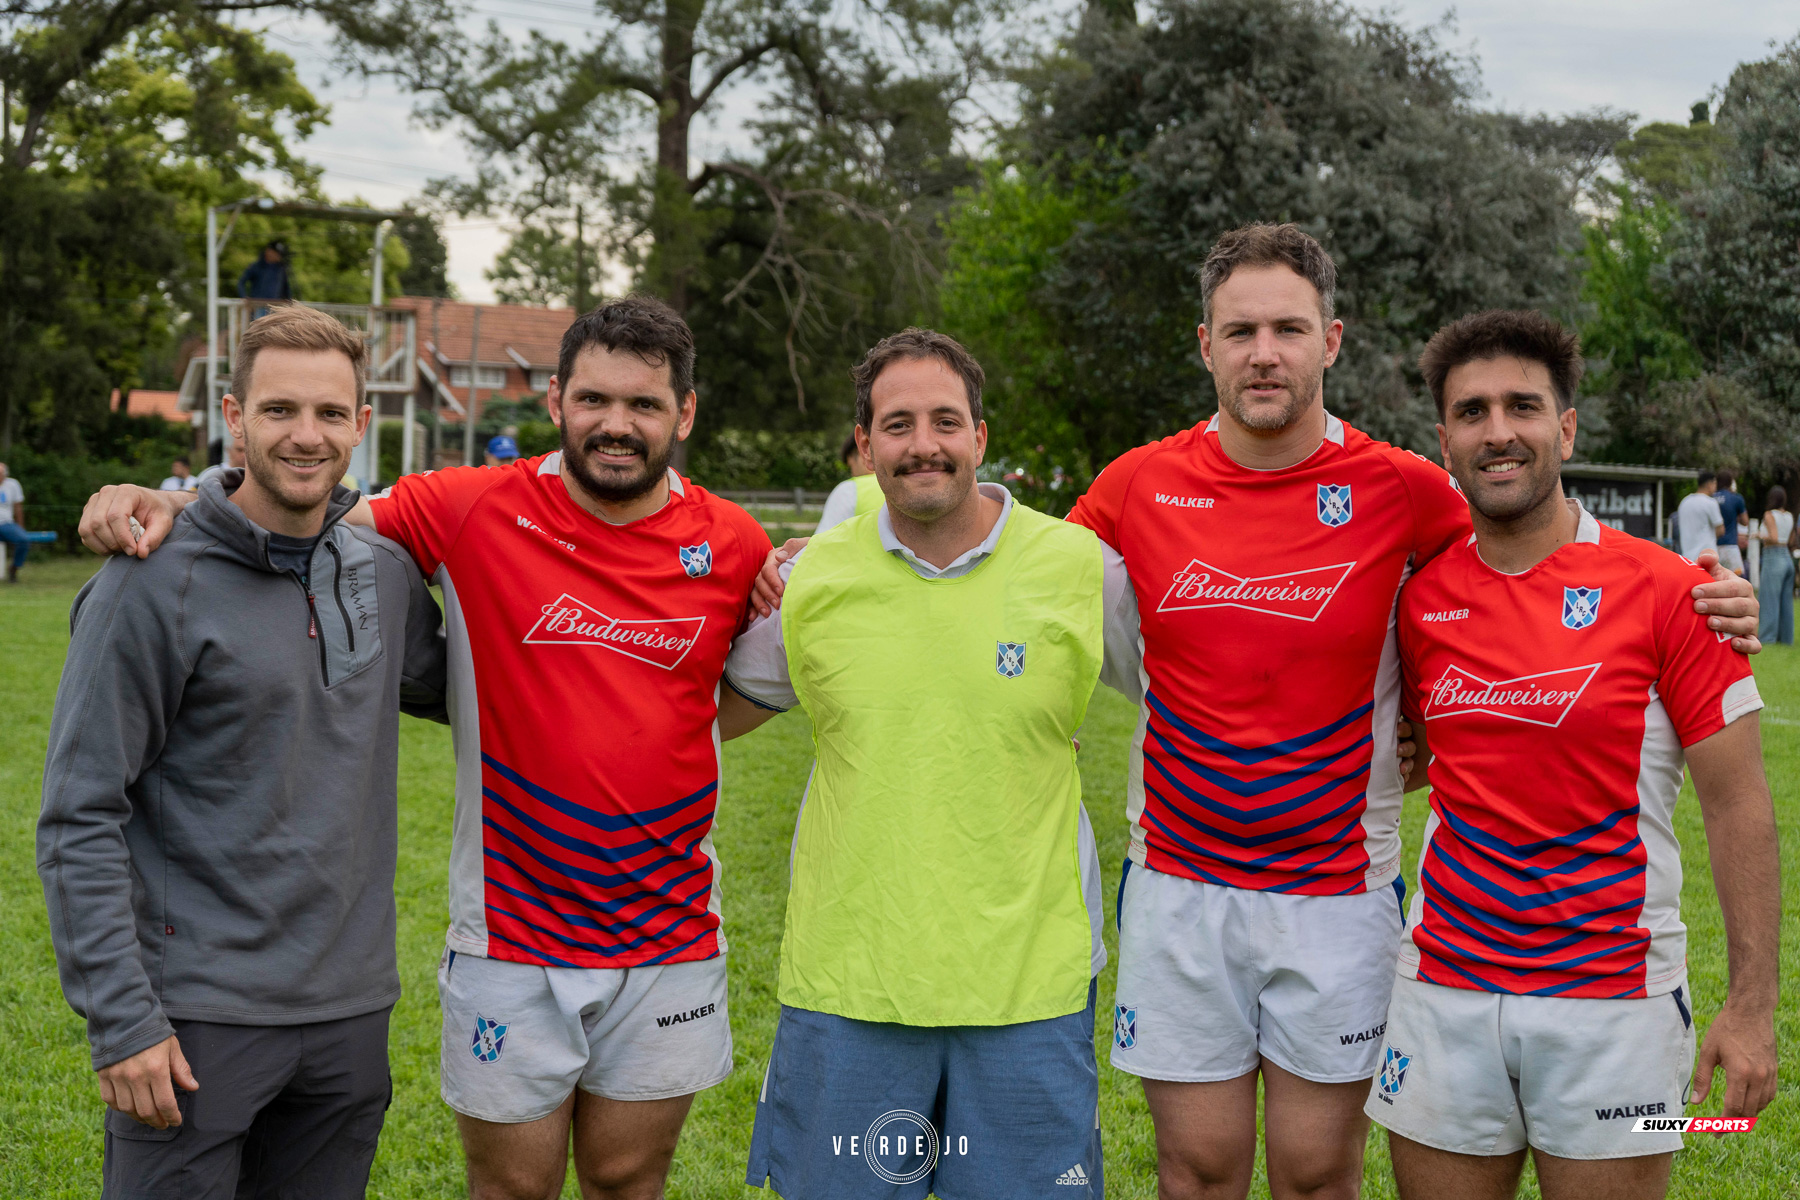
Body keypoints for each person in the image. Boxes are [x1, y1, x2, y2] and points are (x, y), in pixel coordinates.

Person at [1052, 225, 1762, 1200]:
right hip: (1182, 887)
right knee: (1198, 1169)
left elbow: (1528, 565)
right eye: (1242, 329)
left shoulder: (1405, 488)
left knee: (1314, 1173)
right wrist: (821, 557)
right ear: (1204, 344)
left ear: (1331, 340)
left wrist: (1711, 591)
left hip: (1342, 892)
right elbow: (1015, 575)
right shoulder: (1139, 482)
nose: (1266, 352)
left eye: (1289, 328)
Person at [76, 294, 775, 1200]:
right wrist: (160, 497)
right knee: (511, 1189)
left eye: (644, 404)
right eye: (596, 399)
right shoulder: (468, 506)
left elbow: (728, 697)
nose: (617, 424)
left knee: (628, 1177)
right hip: (511, 935)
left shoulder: (733, 543)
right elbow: (290, 501)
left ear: (684, 413)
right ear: (557, 399)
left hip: (671, 931)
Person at [37, 305, 448, 1199]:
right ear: (233, 418)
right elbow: (79, 813)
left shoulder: (380, 574)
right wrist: (123, 1022)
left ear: (362, 426)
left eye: (330, 414)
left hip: (349, 1017)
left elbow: (500, 690)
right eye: (279, 411)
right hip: (196, 1022)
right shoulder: (148, 581)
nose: (307, 436)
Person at [719, 328, 1142, 1199]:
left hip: (1029, 986)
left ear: (980, 438)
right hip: (851, 983)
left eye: (945, 421)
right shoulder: (814, 580)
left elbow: (1200, 692)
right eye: (898, 424)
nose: (923, 444)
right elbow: (699, 711)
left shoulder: (1078, 567)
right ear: (866, 444)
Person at [1371, 310, 1779, 1200]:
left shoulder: (1679, 593)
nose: (1499, 431)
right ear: (1444, 440)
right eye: (1472, 412)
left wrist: (1752, 1008)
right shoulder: (1422, 599)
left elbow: (1740, 804)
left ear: (1567, 426)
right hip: (1443, 988)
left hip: (1614, 1004)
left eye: (1524, 406)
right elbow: (1432, 753)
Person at [813, 430, 883, 535]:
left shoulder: (849, 490)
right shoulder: (902, 486)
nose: (852, 472)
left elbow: (824, 542)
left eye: (850, 466)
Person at [1759, 485, 1794, 645]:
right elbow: (1790, 540)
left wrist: (1758, 535)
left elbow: (1773, 537)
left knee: (1769, 600)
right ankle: (1786, 639)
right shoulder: (1789, 516)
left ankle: (1767, 638)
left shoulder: (1769, 515)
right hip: (1787, 557)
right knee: (1786, 602)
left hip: (1773, 558)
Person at [1676, 471, 1724, 562]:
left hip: (1687, 557)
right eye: (1715, 484)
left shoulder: (1684, 502)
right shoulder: (1710, 502)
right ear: (1710, 484)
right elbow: (1720, 530)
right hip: (1706, 556)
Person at [238, 240, 294, 314]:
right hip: (258, 306)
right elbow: (241, 283)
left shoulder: (281, 269)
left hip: (275, 306)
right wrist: (244, 297)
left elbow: (286, 288)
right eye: (275, 253)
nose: (277, 256)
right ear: (268, 251)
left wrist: (289, 303)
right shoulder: (256, 266)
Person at [1713, 470, 1748, 575]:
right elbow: (1745, 521)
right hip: (1730, 546)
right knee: (1737, 578)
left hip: (1712, 545)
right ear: (1730, 482)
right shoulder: (1736, 498)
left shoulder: (1710, 497)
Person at [0, 460, 28, 582]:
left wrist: (20, 527)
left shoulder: (13, 485)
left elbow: (18, 507)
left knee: (24, 539)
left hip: (7, 524)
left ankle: (14, 568)